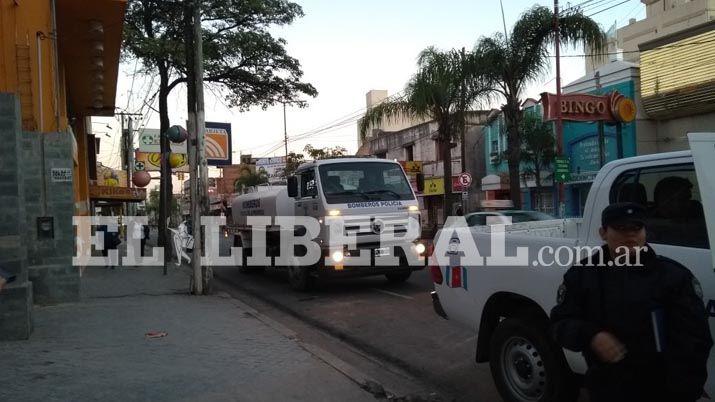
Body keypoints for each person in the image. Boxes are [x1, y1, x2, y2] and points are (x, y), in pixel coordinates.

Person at [550, 202, 712, 402]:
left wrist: (685, 389)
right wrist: (591, 335)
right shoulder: (582, 276)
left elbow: (695, 341)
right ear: (603, 233)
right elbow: (560, 324)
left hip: (663, 389)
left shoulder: (673, 277)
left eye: (637, 228)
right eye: (621, 228)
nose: (631, 235)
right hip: (607, 387)